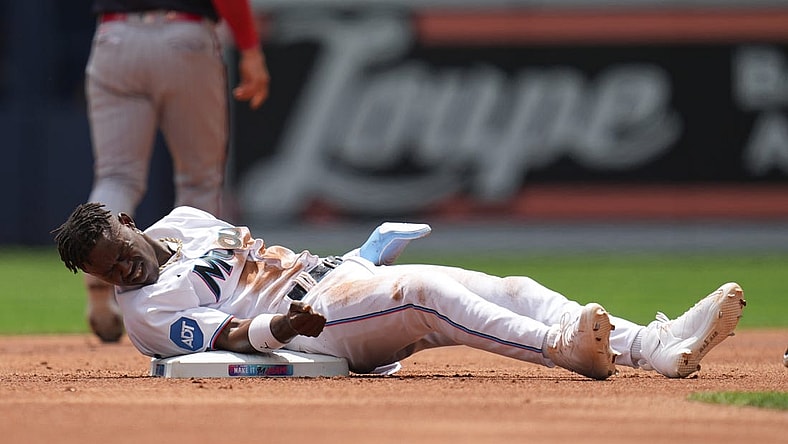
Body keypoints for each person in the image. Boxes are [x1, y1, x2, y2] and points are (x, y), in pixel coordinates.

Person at [53, 203, 747, 379]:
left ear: (126, 224)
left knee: (508, 282)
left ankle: (653, 346)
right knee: (423, 294)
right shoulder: (147, 314)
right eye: (108, 273)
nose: (123, 275)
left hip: (334, 279)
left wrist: (354, 253)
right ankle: (562, 349)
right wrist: (282, 332)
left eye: (119, 256)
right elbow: (228, 337)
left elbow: (273, 258)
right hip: (316, 323)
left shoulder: (186, 220)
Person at [83, 0, 270, 342]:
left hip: (114, 37)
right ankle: (204, 290)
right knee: (200, 180)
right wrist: (250, 48)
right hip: (183, 35)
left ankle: (98, 275)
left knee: (116, 177)